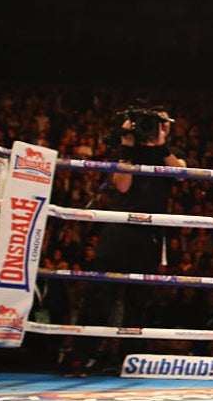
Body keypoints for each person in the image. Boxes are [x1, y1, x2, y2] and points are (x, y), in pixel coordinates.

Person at [68, 104, 185, 375]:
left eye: (161, 122)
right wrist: (127, 146)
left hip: (150, 233)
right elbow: (122, 185)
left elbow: (180, 175)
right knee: (101, 293)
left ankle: (130, 359)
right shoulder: (126, 150)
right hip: (119, 229)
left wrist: (160, 144)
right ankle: (82, 357)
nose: (155, 127)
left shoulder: (171, 154)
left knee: (139, 298)